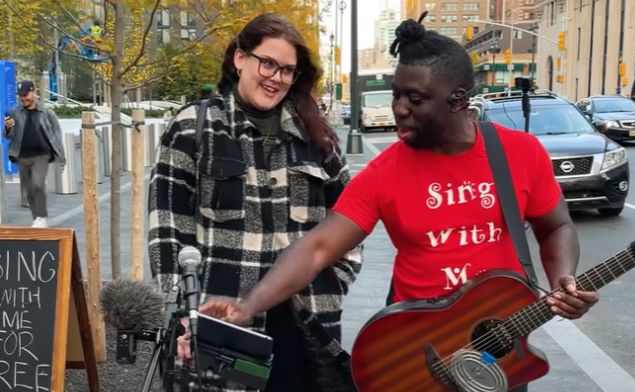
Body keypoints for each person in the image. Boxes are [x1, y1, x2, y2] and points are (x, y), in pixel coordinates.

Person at [201, 14, 599, 392]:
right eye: (396, 95)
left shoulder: (520, 153)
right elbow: (317, 247)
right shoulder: (386, 171)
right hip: (415, 356)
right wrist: (248, 305)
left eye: (415, 98)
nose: (398, 109)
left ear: (457, 99)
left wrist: (564, 279)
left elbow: (557, 226)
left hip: (499, 349)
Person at [147, 13, 360, 392]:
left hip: (304, 326)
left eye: (287, 70)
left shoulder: (316, 137)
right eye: (268, 62)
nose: (276, 77)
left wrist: (331, 284)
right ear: (240, 59)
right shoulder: (193, 128)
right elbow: (167, 232)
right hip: (221, 326)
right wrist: (185, 313)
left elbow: (350, 223)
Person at [4, 80, 66, 228]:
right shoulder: (14, 113)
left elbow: (57, 135)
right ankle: (37, 217)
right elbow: (8, 136)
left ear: (33, 92)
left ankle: (41, 216)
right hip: (22, 155)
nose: (23, 98)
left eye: (25, 95)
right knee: (29, 189)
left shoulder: (48, 113)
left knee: (38, 184)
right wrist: (7, 129)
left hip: (41, 155)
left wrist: (62, 157)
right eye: (20, 96)